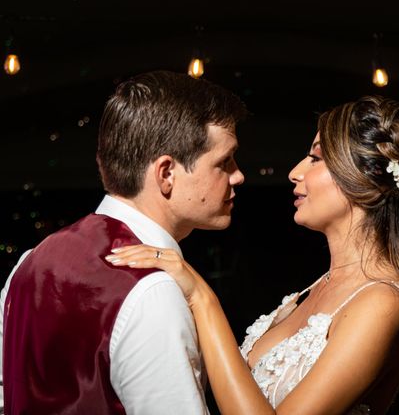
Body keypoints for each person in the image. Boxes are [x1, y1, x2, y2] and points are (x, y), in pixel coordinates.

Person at [108, 95, 399, 414]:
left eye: (315, 158)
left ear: (363, 180)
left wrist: (203, 298)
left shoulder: (383, 301)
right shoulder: (312, 290)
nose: (295, 172)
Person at [0, 70, 247, 414]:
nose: (239, 175)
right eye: (224, 161)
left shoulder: (30, 262)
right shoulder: (151, 290)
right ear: (166, 174)